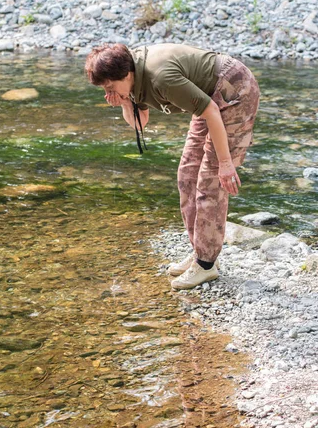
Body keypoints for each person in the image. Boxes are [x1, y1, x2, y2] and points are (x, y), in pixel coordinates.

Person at [85, 43, 260, 290]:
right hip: (208, 97)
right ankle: (200, 251)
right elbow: (140, 123)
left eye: (110, 87)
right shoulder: (131, 76)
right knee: (187, 175)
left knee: (210, 181)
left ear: (126, 75)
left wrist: (225, 163)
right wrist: (124, 101)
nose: (108, 92)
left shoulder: (160, 77)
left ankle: (206, 266)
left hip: (234, 90)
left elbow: (211, 110)